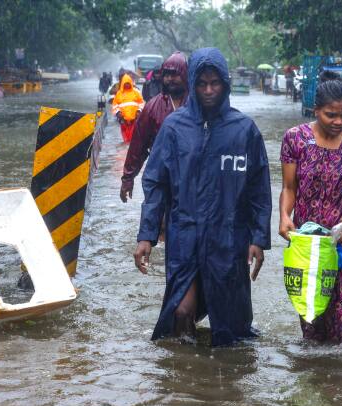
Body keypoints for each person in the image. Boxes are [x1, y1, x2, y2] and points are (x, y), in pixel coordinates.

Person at [134, 47, 272, 346]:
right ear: (192, 84)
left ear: (225, 84)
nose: (209, 91)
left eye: (215, 83)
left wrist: (258, 238)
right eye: (202, 83)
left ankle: (220, 383)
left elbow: (259, 190)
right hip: (184, 235)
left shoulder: (244, 130)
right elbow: (155, 182)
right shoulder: (174, 128)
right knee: (182, 312)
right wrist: (146, 234)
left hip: (228, 238)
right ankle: (187, 383)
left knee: (230, 328)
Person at [279, 72, 342, 343]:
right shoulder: (295, 139)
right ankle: (316, 376)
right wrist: (283, 217)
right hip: (308, 243)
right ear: (316, 111)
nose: (338, 122)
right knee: (312, 319)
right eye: (330, 115)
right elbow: (289, 188)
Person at [120, 52, 189, 202]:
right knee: (156, 221)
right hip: (160, 176)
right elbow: (138, 145)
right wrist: (128, 178)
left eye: (175, 74)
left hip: (190, 178)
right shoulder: (152, 107)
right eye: (166, 74)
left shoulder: (198, 104)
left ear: (185, 75)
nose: (170, 79)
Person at [112, 73, 144, 143]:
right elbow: (115, 105)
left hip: (134, 119)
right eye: (125, 83)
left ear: (131, 83)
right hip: (123, 119)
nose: (127, 85)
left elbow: (141, 102)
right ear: (123, 83)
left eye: (128, 83)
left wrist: (139, 110)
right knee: (125, 139)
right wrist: (118, 112)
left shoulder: (136, 92)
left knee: (133, 138)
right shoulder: (119, 93)